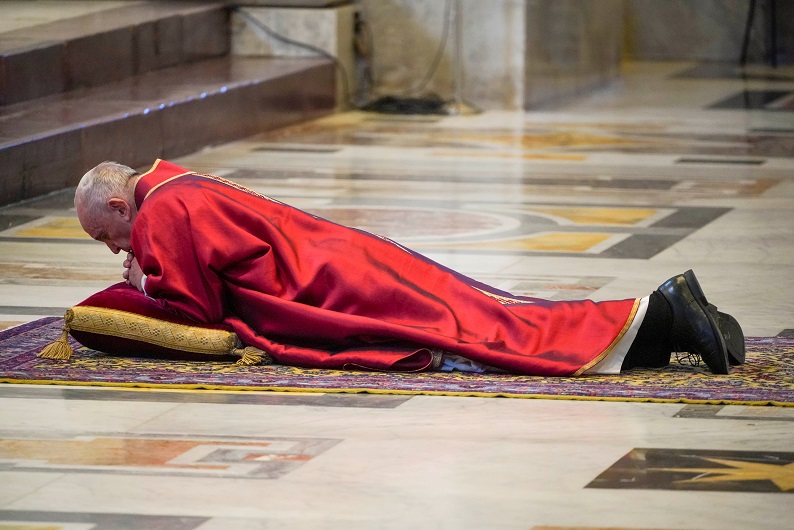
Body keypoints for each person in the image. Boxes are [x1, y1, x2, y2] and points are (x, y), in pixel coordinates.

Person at [73, 159, 745, 376]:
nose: (118, 250)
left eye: (110, 236)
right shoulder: (180, 183)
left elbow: (196, 311)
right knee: (490, 314)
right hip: (348, 261)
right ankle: (669, 318)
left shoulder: (162, 211)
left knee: (483, 334)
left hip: (334, 287)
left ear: (115, 200)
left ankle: (664, 315)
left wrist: (136, 284)